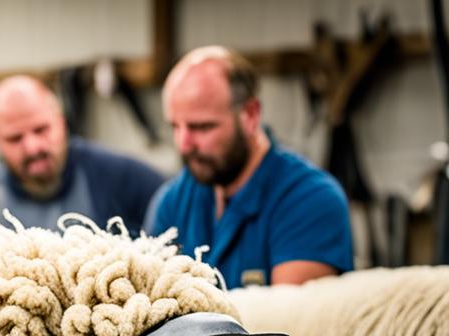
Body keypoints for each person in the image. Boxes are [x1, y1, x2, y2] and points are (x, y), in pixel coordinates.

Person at [147, 46, 352, 287]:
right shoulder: (172, 203)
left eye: (202, 127)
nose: (184, 144)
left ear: (250, 115)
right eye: (175, 126)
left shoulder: (310, 201)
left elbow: (294, 320)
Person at [0, 74, 164, 241]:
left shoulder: (117, 177)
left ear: (61, 123)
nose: (32, 147)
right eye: (14, 138)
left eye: (41, 129)